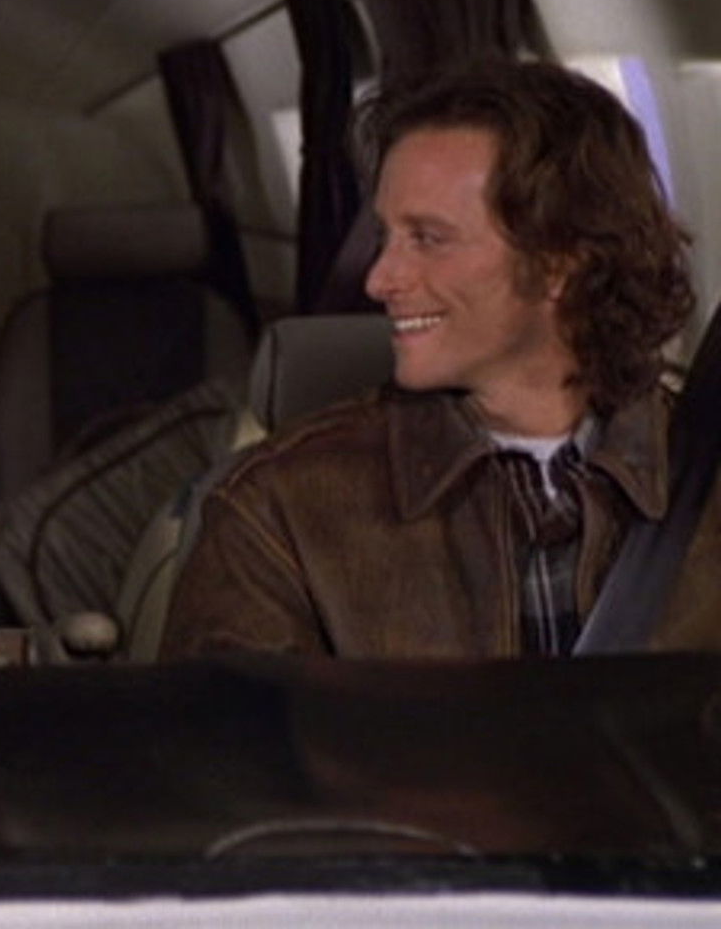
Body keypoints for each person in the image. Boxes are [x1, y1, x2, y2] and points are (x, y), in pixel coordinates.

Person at [162, 58, 721, 660]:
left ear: (561, 261)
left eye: (428, 238)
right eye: (386, 237)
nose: (378, 280)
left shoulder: (705, 480)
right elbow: (229, 723)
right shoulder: (276, 513)